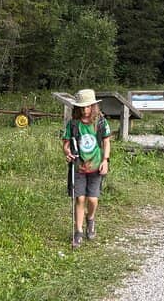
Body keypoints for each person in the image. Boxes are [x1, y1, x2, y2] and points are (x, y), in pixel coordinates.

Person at [62, 88, 111, 248]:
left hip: (96, 166)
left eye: (88, 106)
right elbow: (66, 143)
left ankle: (90, 219)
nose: (85, 110)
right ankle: (78, 231)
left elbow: (106, 142)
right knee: (80, 198)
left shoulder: (100, 122)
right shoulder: (73, 124)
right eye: (82, 107)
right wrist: (67, 153)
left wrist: (105, 160)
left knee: (92, 199)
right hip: (78, 166)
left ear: (93, 106)